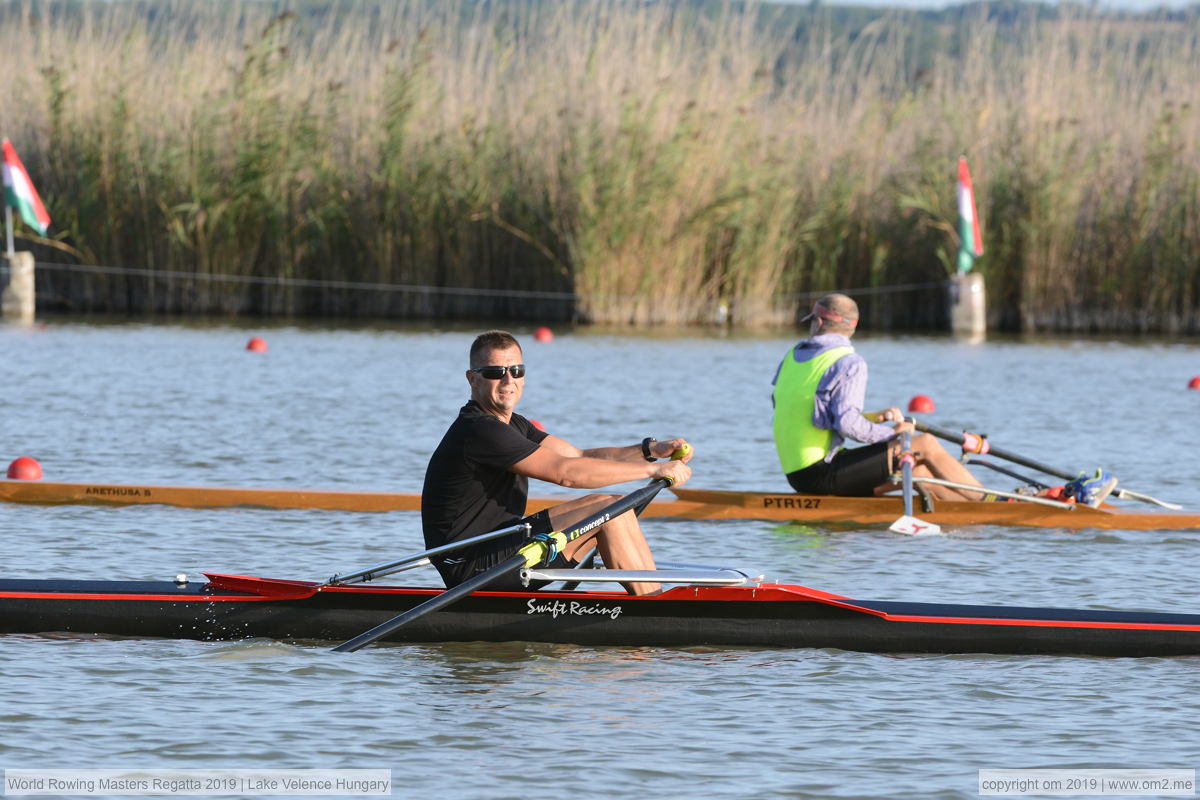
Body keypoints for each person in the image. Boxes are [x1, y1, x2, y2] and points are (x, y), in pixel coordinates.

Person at [421, 330, 693, 596]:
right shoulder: (480, 430)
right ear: (472, 379)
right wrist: (654, 470)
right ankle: (655, 607)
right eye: (495, 373)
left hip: (500, 547)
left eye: (516, 371)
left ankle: (654, 600)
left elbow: (577, 456)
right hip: (471, 568)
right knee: (610, 508)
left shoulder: (514, 424)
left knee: (612, 505)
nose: (508, 381)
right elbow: (566, 475)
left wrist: (651, 450)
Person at [771, 293, 986, 501]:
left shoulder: (792, 356)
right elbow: (846, 424)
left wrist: (874, 418)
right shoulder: (849, 363)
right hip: (821, 472)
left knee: (921, 471)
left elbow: (805, 412)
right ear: (853, 327)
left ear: (818, 322)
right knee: (926, 444)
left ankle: (983, 517)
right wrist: (892, 433)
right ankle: (991, 501)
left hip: (798, 476)